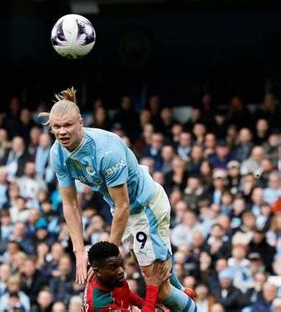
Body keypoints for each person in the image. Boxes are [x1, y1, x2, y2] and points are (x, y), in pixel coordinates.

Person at [42, 88, 196, 311]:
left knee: (159, 290)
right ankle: (184, 296)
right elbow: (70, 203)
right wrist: (79, 251)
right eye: (56, 127)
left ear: (81, 123)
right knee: (155, 274)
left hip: (145, 208)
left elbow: (123, 205)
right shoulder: (58, 153)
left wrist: (106, 258)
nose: (62, 132)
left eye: (68, 125)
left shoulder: (106, 150)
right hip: (123, 212)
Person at [83, 241, 170, 312]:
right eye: (113, 267)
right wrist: (152, 287)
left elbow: (124, 292)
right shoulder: (101, 305)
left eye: (121, 263)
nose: (121, 271)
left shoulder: (108, 278)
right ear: (97, 271)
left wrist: (143, 303)